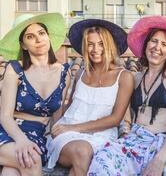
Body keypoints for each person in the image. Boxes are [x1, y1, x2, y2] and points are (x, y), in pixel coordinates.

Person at [87, 15, 166, 176]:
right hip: (135, 140)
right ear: (146, 45)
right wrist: (125, 132)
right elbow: (123, 112)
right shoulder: (135, 78)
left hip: (165, 142)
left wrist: (161, 158)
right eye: (153, 41)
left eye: (164, 44)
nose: (157, 47)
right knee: (102, 160)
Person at [46, 19, 134, 175]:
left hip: (103, 136)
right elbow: (70, 107)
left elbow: (115, 119)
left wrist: (73, 127)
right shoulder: (81, 73)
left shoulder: (124, 76)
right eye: (90, 44)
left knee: (82, 162)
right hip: (68, 136)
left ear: (110, 46)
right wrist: (57, 126)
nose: (95, 49)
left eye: (101, 44)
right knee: (83, 152)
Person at [0, 13, 70, 176]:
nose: (38, 40)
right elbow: (5, 115)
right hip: (8, 130)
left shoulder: (64, 73)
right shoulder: (15, 69)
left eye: (41, 33)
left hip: (38, 136)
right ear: (23, 45)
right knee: (30, 159)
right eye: (30, 36)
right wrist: (21, 140)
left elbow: (56, 119)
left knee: (11, 172)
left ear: (48, 37)